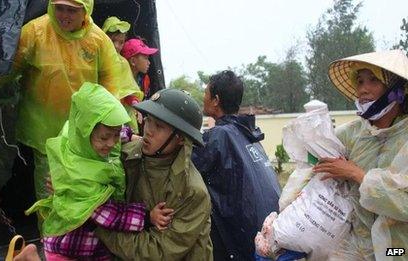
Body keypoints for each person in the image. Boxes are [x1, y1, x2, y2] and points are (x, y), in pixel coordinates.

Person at [0, 0, 137, 200]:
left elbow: (111, 87)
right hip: (44, 135)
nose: (64, 15)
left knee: (82, 193)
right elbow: (10, 69)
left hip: (84, 134)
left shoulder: (99, 40)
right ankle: (49, 232)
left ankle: (79, 232)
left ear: (86, 9)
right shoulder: (35, 31)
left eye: (71, 10)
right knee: (48, 195)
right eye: (60, 8)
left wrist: (112, 127)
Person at [25, 83, 173, 260]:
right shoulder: (79, 176)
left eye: (116, 136)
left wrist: (131, 136)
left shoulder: (78, 137)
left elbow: (110, 128)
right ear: (85, 133)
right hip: (72, 246)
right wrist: (147, 217)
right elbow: (108, 214)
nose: (111, 143)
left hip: (90, 243)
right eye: (104, 138)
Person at [94, 88, 213, 260]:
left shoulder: (191, 191)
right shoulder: (126, 154)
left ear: (180, 138)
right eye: (148, 121)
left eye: (159, 126)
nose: (148, 130)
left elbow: (157, 251)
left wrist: (99, 229)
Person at [311, 50, 408, 260]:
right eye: (360, 81)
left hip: (399, 250)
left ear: (397, 90)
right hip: (356, 247)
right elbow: (313, 164)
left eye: (373, 80)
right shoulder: (351, 134)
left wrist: (357, 174)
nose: (363, 89)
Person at [191, 70, 281, 260]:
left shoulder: (219, 135)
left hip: (240, 241)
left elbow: (186, 166)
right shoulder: (250, 135)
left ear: (216, 100)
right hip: (265, 234)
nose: (203, 98)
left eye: (206, 94)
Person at [102, 16, 144, 135]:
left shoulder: (123, 63)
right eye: (112, 40)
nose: (116, 46)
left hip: (120, 114)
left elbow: (128, 89)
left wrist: (136, 104)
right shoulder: (95, 59)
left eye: (121, 42)